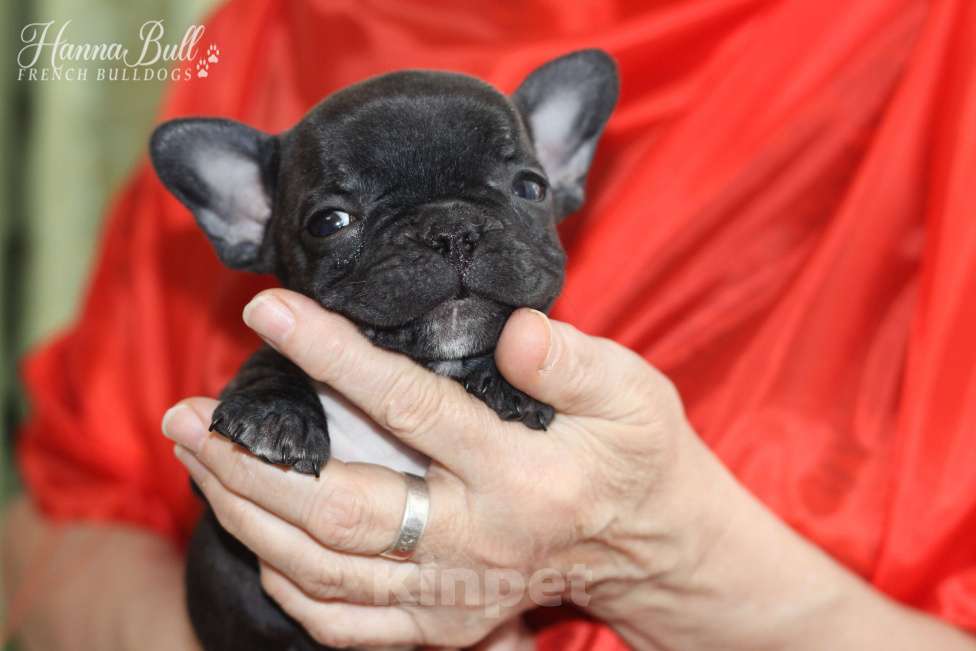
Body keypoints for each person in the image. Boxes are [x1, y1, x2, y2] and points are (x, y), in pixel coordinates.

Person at [4, 1, 976, 649]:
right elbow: (40, 545)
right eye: (335, 219)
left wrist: (659, 558)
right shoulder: (269, 29)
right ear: (249, 221)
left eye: (515, 190)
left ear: (563, 172)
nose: (451, 240)